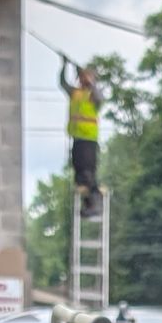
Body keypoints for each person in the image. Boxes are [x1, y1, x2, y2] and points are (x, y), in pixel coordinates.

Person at [61, 59, 101, 214]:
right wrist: (64, 66)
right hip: (77, 139)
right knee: (79, 177)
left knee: (87, 173)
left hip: (89, 140)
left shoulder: (94, 95)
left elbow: (99, 96)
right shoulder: (75, 93)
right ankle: (88, 204)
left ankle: (95, 202)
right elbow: (63, 83)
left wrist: (91, 81)